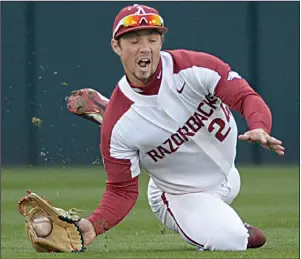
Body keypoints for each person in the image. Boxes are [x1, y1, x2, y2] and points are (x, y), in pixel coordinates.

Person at [67, 4, 285, 251]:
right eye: (134, 41)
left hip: (228, 177)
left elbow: (245, 97)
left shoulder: (194, 67)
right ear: (117, 46)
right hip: (179, 194)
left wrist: (259, 126)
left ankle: (120, 115)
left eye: (152, 38)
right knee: (233, 240)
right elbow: (121, 190)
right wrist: (94, 225)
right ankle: (223, 225)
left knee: (147, 122)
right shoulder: (119, 124)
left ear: (161, 41)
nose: (145, 47)